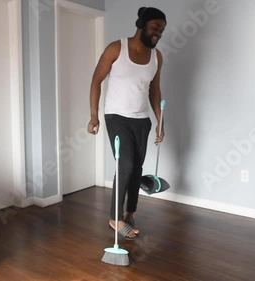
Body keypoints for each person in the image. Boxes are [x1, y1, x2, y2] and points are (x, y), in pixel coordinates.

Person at [87, 7, 167, 240]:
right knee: (126, 165)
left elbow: (154, 90)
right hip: (116, 116)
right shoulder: (116, 48)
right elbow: (96, 80)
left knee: (137, 169)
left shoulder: (156, 57)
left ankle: (129, 212)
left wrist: (160, 121)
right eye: (155, 28)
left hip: (142, 120)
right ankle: (115, 218)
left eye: (161, 30)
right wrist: (94, 115)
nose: (158, 34)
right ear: (141, 25)